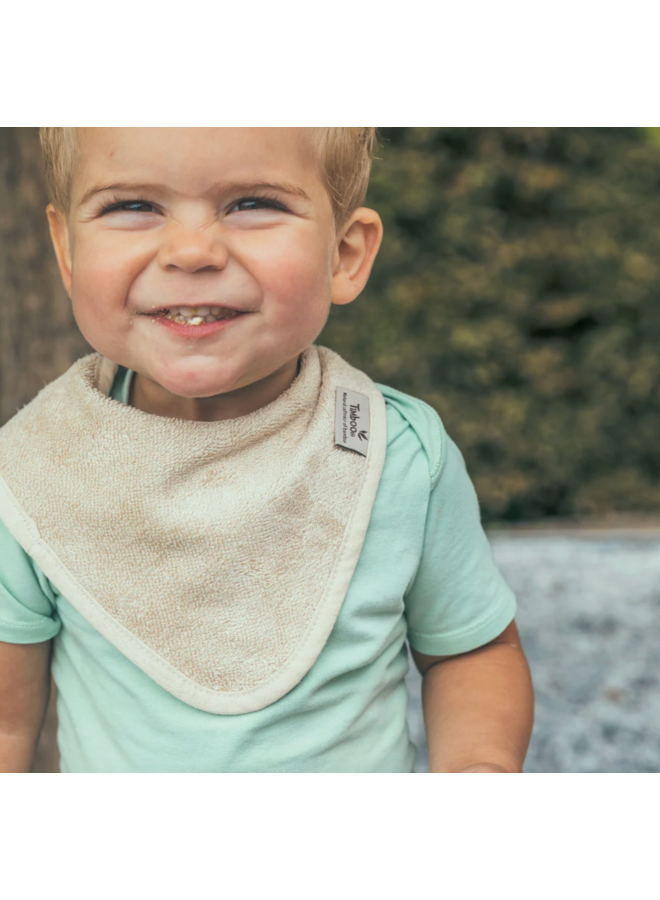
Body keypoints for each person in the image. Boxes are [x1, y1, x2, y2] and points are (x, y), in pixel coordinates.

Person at [0, 128, 534, 774]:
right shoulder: (32, 477)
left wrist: (479, 760)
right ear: (67, 251)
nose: (191, 251)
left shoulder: (395, 456)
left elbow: (470, 652)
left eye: (253, 203)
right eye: (132, 205)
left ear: (344, 254)